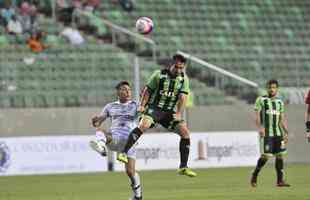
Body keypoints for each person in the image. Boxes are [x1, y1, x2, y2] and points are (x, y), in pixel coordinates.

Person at [119, 54, 197, 177]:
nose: (179, 70)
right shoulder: (159, 75)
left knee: (185, 132)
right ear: (171, 65)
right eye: (177, 67)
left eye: (181, 68)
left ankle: (183, 167)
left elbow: (183, 97)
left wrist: (178, 113)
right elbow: (147, 90)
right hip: (154, 108)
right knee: (144, 125)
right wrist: (142, 105)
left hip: (169, 112)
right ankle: (123, 152)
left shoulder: (183, 79)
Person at [90, 81, 142, 200]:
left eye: (129, 90)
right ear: (118, 92)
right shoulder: (110, 106)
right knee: (100, 130)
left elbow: (143, 114)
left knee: (130, 171)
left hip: (130, 141)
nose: (128, 92)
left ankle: (138, 196)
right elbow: (99, 121)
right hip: (115, 138)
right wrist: (95, 121)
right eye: (124, 89)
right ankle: (101, 147)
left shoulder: (135, 105)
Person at [251, 79, 290, 187]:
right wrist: (260, 128)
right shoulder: (261, 100)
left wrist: (286, 132)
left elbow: (282, 119)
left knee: (280, 156)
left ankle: (280, 181)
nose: (271, 89)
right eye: (269, 87)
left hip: (278, 134)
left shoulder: (280, 102)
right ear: (267, 88)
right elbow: (257, 115)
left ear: (277, 89)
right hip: (267, 133)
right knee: (265, 157)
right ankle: (255, 174)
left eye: (273, 87)